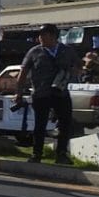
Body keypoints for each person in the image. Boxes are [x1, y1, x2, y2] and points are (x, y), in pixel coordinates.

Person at [13, 23, 78, 165]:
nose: (40, 38)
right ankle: (37, 154)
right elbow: (23, 73)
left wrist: (67, 76)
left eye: (44, 34)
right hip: (41, 93)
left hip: (61, 92)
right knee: (40, 125)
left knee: (65, 123)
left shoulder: (67, 51)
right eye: (40, 35)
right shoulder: (34, 52)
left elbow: (76, 68)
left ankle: (61, 154)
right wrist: (18, 93)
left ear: (53, 36)